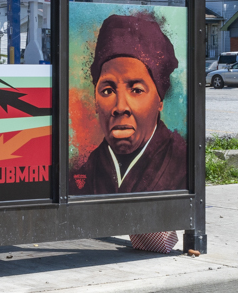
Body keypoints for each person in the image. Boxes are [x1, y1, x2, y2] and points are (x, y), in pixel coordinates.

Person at [70, 12, 187, 195]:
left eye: (136, 90)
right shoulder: (80, 175)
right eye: (107, 91)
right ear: (95, 101)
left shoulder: (183, 166)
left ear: (159, 100)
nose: (120, 107)